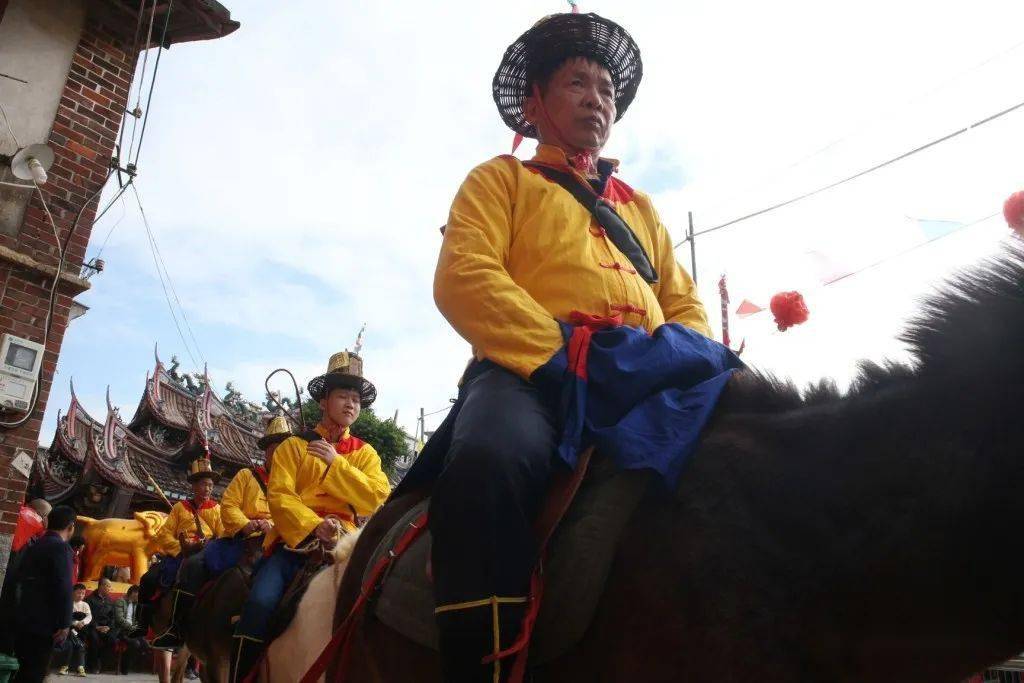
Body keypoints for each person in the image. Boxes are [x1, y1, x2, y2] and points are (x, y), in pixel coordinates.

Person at [410, 12, 715, 681]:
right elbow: (465, 277)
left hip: (644, 373)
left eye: (606, 90)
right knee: (488, 462)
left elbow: (685, 302)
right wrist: (562, 352)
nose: (597, 99)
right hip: (532, 374)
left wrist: (680, 353)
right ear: (535, 103)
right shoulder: (500, 182)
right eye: (578, 83)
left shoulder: (640, 208)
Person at [231, 352, 391, 682]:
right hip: (295, 544)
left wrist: (337, 464)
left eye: (356, 398)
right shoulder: (292, 447)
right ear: (323, 400)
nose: (351, 404)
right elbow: (280, 497)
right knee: (259, 605)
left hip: (347, 543)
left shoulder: (365, 453)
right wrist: (315, 524)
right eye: (344, 395)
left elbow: (375, 498)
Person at [157, 416, 291, 646]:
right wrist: (246, 524)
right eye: (275, 447)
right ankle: (177, 628)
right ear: (267, 450)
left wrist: (274, 526)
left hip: (276, 541)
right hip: (242, 540)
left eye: (286, 447)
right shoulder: (246, 476)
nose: (281, 452)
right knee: (193, 564)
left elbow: (296, 512)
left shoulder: (293, 482)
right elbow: (228, 505)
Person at [149, 458, 224, 648]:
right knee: (150, 579)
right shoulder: (180, 508)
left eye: (210, 485)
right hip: (181, 553)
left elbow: (223, 535)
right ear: (194, 486)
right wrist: (180, 548)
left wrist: (209, 544)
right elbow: (164, 535)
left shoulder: (216, 509)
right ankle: (150, 623)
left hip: (206, 553)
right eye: (203, 484)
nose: (207, 489)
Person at [10, 504, 76, 683]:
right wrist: (64, 623)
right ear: (71, 527)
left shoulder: (35, 544)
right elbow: (64, 587)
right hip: (44, 624)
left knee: (24, 671)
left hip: (24, 617)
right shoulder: (61, 548)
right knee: (35, 672)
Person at [55, 583, 91, 677]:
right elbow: (65, 617)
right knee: (75, 645)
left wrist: (83, 622)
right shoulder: (68, 604)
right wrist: (75, 623)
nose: (81, 595)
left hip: (81, 630)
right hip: (68, 629)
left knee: (77, 643)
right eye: (78, 593)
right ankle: (72, 666)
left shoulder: (85, 605)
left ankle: (76, 667)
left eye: (83, 593)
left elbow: (89, 616)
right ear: (73, 593)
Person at [84, 578, 118, 673]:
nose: (110, 588)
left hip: (106, 628)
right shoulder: (89, 599)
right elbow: (87, 616)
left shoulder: (110, 601)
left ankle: (103, 664)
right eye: (108, 586)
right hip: (92, 626)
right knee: (94, 638)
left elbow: (113, 617)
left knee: (112, 639)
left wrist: (108, 627)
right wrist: (96, 627)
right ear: (101, 586)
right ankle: (92, 666)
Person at [114, 585, 148, 673]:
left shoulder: (137, 604)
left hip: (132, 630)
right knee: (135, 643)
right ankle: (124, 667)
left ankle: (137, 667)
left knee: (145, 644)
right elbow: (119, 619)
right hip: (121, 631)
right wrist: (132, 628)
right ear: (133, 593)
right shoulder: (120, 601)